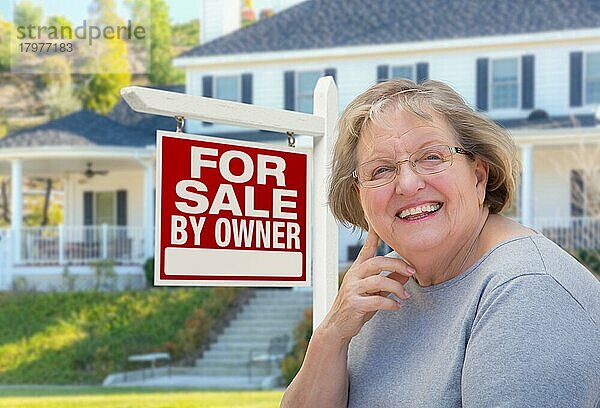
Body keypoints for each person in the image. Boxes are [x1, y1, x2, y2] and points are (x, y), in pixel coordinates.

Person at [280, 79, 600, 407]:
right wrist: (332, 334)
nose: (407, 184)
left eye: (431, 157)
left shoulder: (528, 291)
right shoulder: (380, 295)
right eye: (380, 170)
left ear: (478, 175)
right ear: (359, 196)